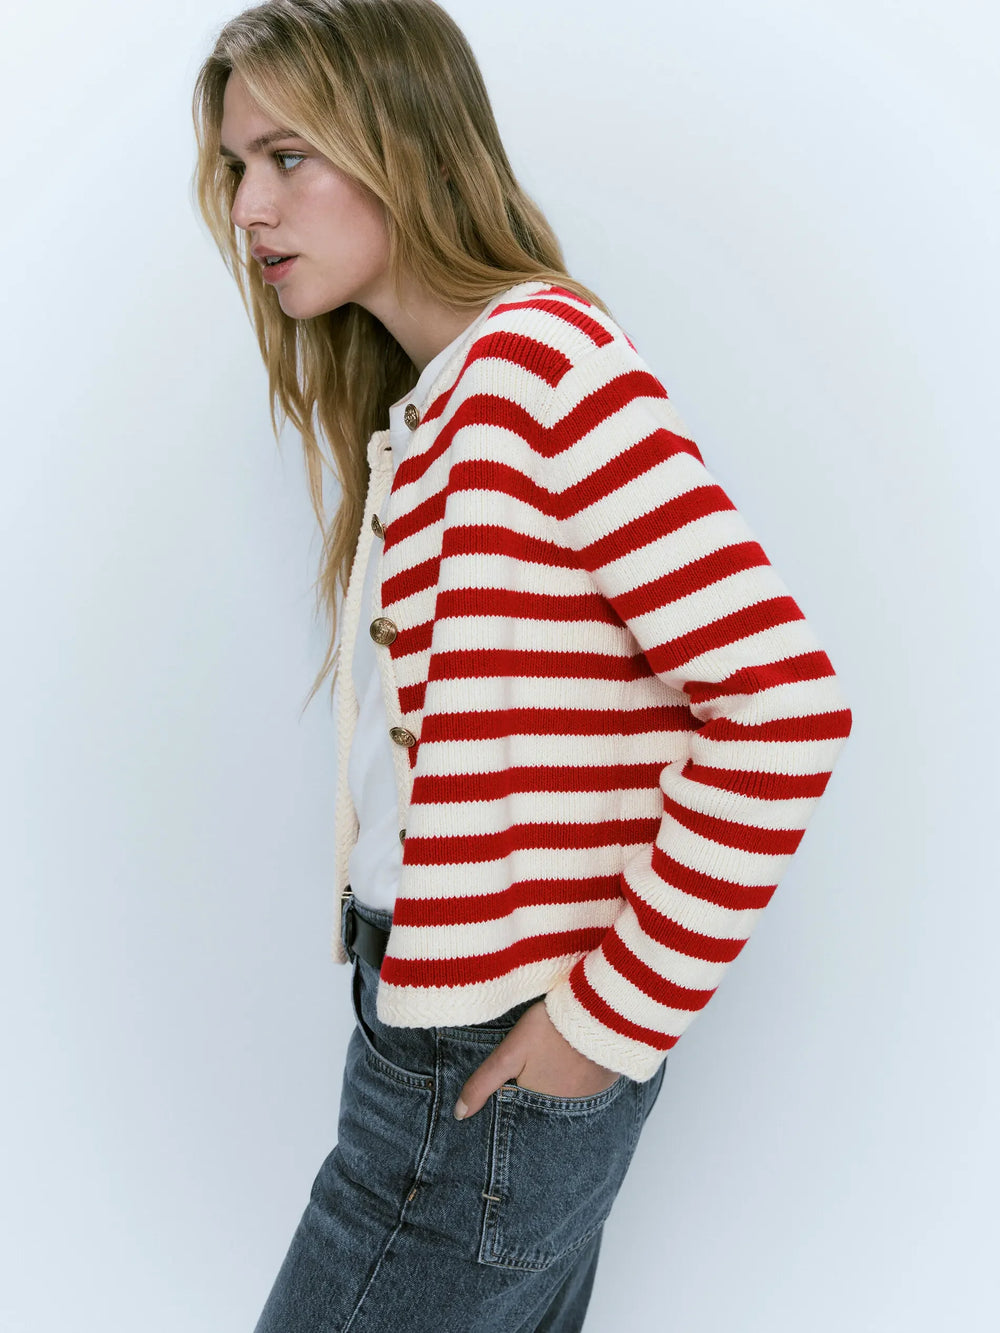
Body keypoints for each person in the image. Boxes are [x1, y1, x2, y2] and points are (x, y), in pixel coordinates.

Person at [191, 2, 852, 1328]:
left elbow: (783, 704)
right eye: (236, 166)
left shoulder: (540, 364)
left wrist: (605, 1024)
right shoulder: (443, 397)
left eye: (288, 156)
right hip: (451, 1037)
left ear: (404, 139)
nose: (252, 207)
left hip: (486, 1055)